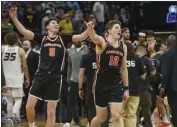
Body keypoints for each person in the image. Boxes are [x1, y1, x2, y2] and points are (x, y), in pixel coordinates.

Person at [9, 7, 89, 127]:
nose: (56, 24)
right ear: (47, 27)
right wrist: (14, 18)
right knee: (29, 106)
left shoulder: (63, 38)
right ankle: (32, 125)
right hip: (40, 75)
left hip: (55, 78)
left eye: (57, 23)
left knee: (51, 111)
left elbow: (82, 37)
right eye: (53, 23)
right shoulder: (42, 38)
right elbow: (24, 31)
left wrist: (90, 29)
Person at [86, 20, 129, 127]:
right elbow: (94, 37)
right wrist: (90, 28)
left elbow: (124, 69)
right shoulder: (102, 42)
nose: (119, 29)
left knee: (116, 116)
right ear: (109, 30)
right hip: (101, 83)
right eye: (116, 27)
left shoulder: (123, 47)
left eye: (119, 27)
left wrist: (127, 88)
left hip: (115, 84)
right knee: (101, 118)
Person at [2, 32, 30, 121]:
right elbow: (25, 67)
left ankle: (10, 119)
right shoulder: (20, 50)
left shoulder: (2, 49)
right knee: (18, 99)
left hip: (4, 79)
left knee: (9, 100)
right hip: (17, 78)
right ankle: (14, 115)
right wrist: (27, 78)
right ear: (16, 40)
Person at [121, 42, 146, 127]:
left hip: (122, 90)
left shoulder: (120, 58)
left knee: (120, 114)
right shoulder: (137, 59)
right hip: (135, 90)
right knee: (132, 115)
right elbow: (143, 76)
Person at [135, 44, 156, 127]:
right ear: (144, 51)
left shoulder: (132, 59)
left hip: (133, 89)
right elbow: (153, 72)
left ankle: (135, 125)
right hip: (144, 88)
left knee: (134, 110)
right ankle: (148, 125)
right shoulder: (146, 59)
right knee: (146, 109)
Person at [160, 35, 177, 126]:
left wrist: (163, 86)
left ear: (166, 44)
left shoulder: (166, 55)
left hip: (173, 87)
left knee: (175, 109)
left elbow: (165, 73)